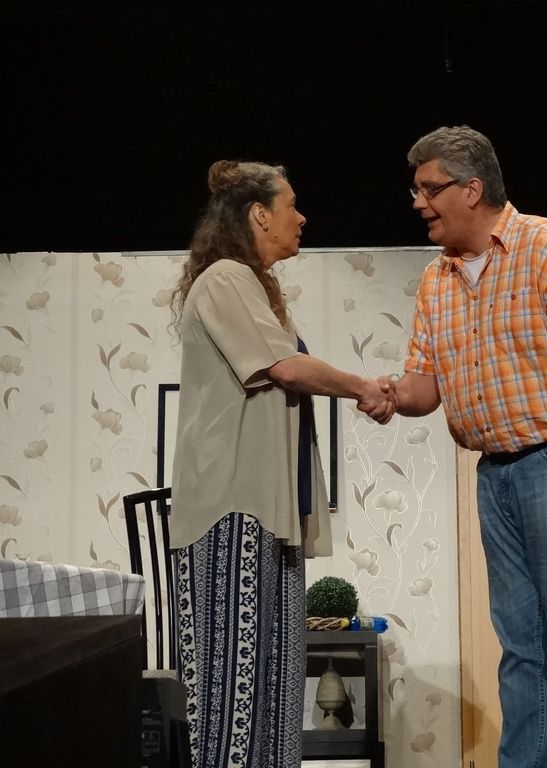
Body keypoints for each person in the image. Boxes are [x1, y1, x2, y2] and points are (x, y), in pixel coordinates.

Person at [385, 126, 547, 768]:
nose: (417, 202)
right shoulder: (436, 280)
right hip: (494, 473)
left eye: (428, 188)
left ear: (471, 190)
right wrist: (383, 393)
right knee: (520, 646)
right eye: (415, 189)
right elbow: (424, 388)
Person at [169, 160, 393, 768]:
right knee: (233, 700)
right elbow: (285, 368)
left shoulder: (254, 289)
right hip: (230, 513)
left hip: (271, 516)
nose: (302, 217)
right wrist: (364, 387)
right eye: (291, 205)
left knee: (275, 699)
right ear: (259, 214)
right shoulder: (225, 278)